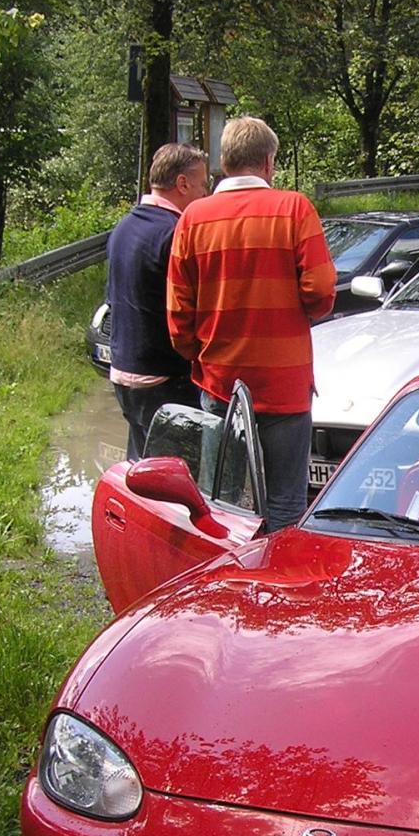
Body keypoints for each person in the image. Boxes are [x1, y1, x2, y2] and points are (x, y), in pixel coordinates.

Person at [167, 117, 336, 531]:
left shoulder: (193, 219)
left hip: (220, 381)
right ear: (267, 162)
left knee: (218, 501)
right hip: (284, 386)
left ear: (224, 161)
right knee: (285, 503)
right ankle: (278, 584)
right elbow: (321, 292)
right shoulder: (295, 209)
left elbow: (177, 313)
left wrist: (200, 354)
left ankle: (225, 584)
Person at [105, 142, 209, 460]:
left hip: (124, 372)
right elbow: (193, 308)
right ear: (182, 183)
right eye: (204, 184)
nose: (205, 194)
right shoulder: (175, 233)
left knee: (141, 471)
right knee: (176, 483)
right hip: (165, 378)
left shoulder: (124, 227)